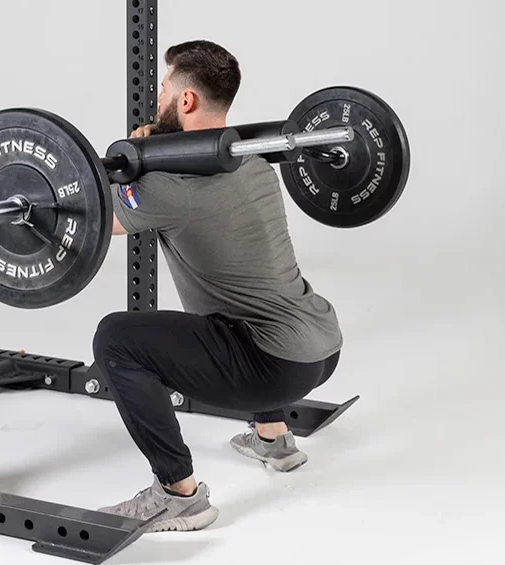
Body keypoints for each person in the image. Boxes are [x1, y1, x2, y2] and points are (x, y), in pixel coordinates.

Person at [92, 40, 343, 532]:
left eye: (164, 88)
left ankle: (178, 496)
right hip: (322, 346)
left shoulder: (168, 188)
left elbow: (95, 218)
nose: (158, 96)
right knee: (245, 313)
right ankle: (274, 439)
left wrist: (135, 160)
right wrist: (149, 156)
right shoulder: (251, 161)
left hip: (273, 367)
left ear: (185, 102)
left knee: (115, 339)